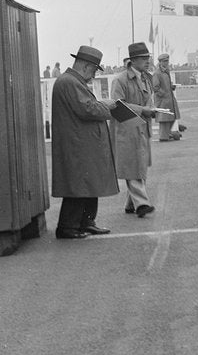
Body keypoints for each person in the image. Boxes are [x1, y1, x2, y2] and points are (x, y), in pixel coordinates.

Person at [50, 46, 126, 239]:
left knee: (86, 184)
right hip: (78, 145)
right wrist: (107, 106)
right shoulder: (70, 82)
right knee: (80, 185)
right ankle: (68, 227)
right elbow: (88, 109)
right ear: (86, 66)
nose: (93, 75)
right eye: (93, 70)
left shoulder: (70, 81)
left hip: (81, 143)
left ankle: (85, 222)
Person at [111, 42, 158, 217]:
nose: (147, 61)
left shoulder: (146, 77)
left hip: (141, 127)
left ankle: (131, 203)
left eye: (148, 58)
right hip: (127, 128)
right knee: (132, 164)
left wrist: (151, 110)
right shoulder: (120, 79)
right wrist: (142, 110)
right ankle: (142, 204)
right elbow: (117, 105)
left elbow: (148, 100)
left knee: (140, 164)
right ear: (133, 60)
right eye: (144, 58)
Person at [152, 53, 181, 141]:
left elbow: (165, 84)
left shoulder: (166, 71)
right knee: (164, 119)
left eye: (167, 61)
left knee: (172, 117)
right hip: (163, 100)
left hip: (169, 99)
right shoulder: (157, 73)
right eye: (164, 61)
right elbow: (155, 87)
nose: (166, 62)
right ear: (160, 62)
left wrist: (171, 86)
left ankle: (167, 134)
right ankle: (163, 137)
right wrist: (163, 94)